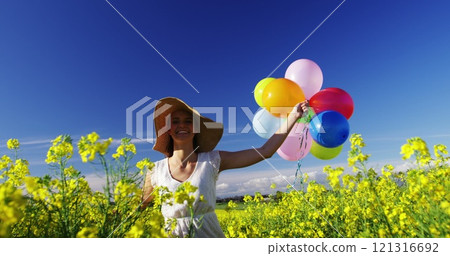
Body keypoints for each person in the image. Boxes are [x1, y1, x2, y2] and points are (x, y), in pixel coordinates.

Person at [141, 97, 308, 238]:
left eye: (188, 121)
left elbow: (265, 151)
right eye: (175, 122)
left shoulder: (213, 160)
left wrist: (293, 116)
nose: (182, 125)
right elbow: (137, 210)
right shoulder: (155, 171)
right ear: (168, 130)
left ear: (196, 128)